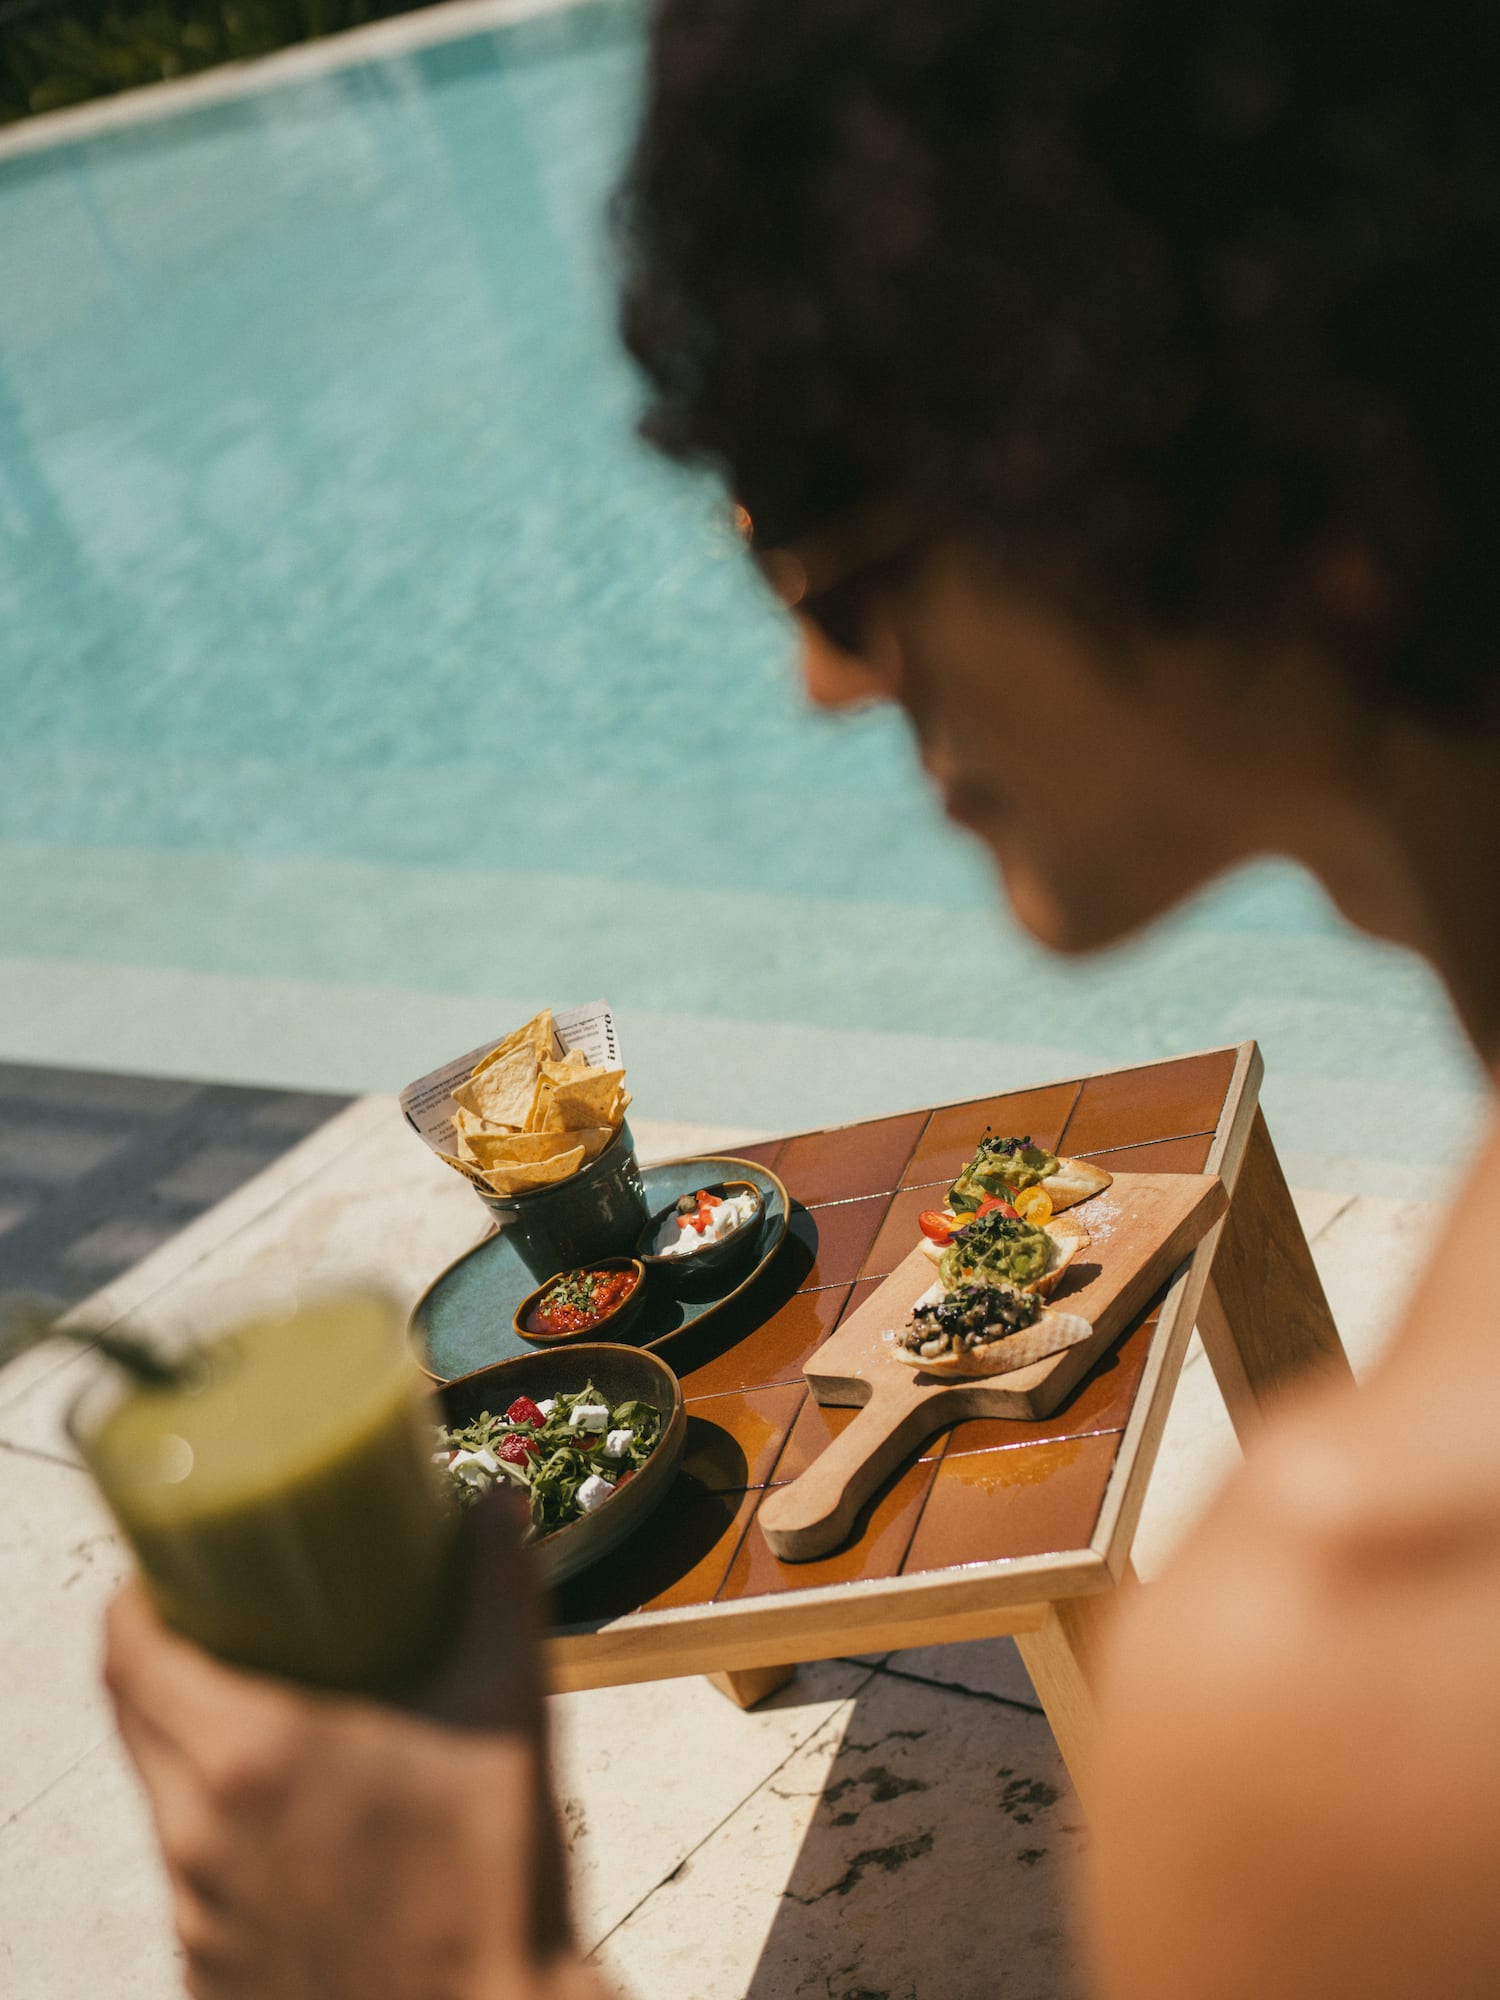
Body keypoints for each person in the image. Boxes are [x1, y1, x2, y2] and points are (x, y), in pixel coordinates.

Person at [105, 2, 1500, 1995]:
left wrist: (451, 1968)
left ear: (1221, 440)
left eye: (842, 560)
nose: (828, 680)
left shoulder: (1356, 1707)